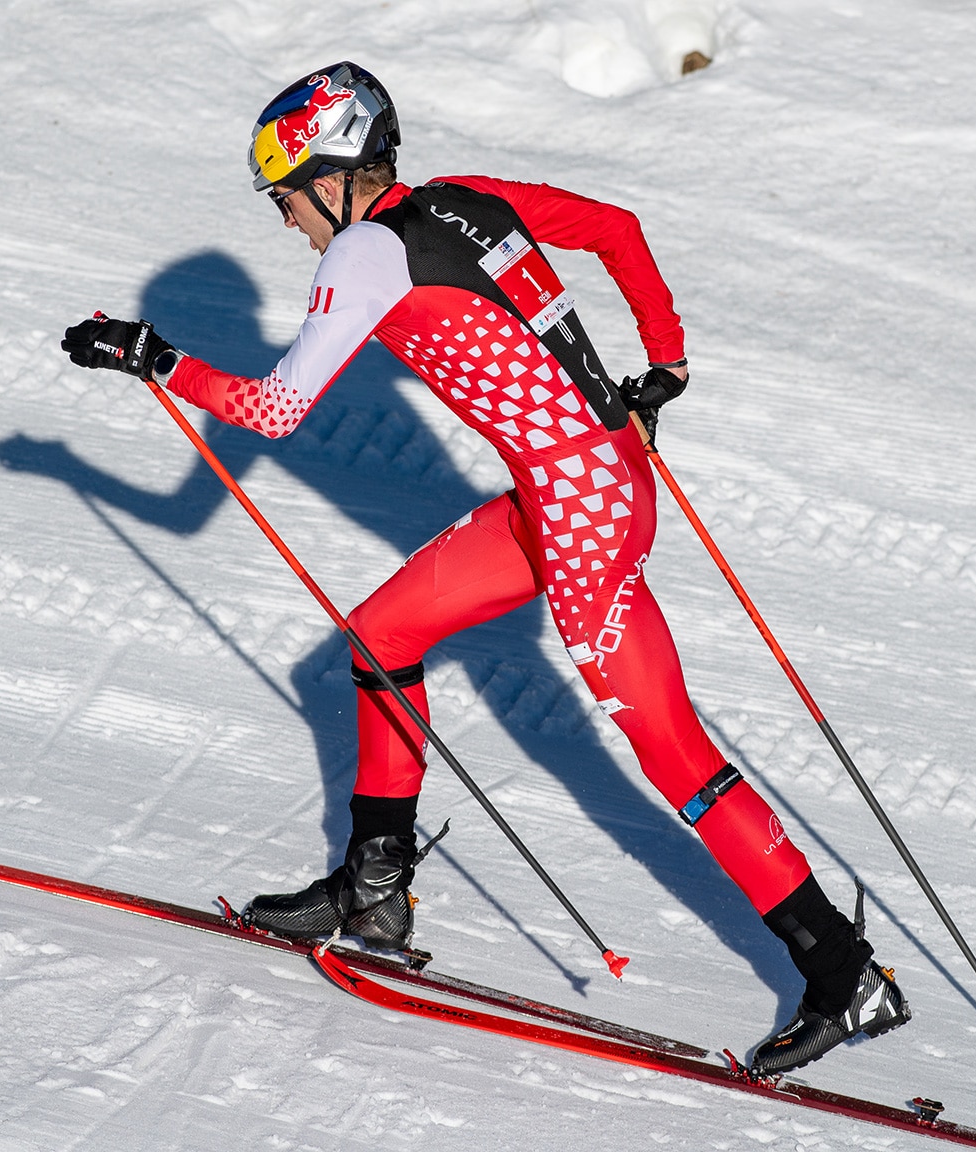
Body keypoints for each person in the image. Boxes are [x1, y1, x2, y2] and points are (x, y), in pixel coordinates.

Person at [60, 61, 908, 1075]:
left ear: (330, 174)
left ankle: (839, 974)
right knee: (381, 636)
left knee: (673, 754)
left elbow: (277, 411)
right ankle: (372, 891)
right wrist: (664, 363)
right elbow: (617, 228)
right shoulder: (464, 200)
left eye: (285, 198)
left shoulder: (366, 254)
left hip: (581, 515)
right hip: (580, 491)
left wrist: (153, 356)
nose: (285, 222)